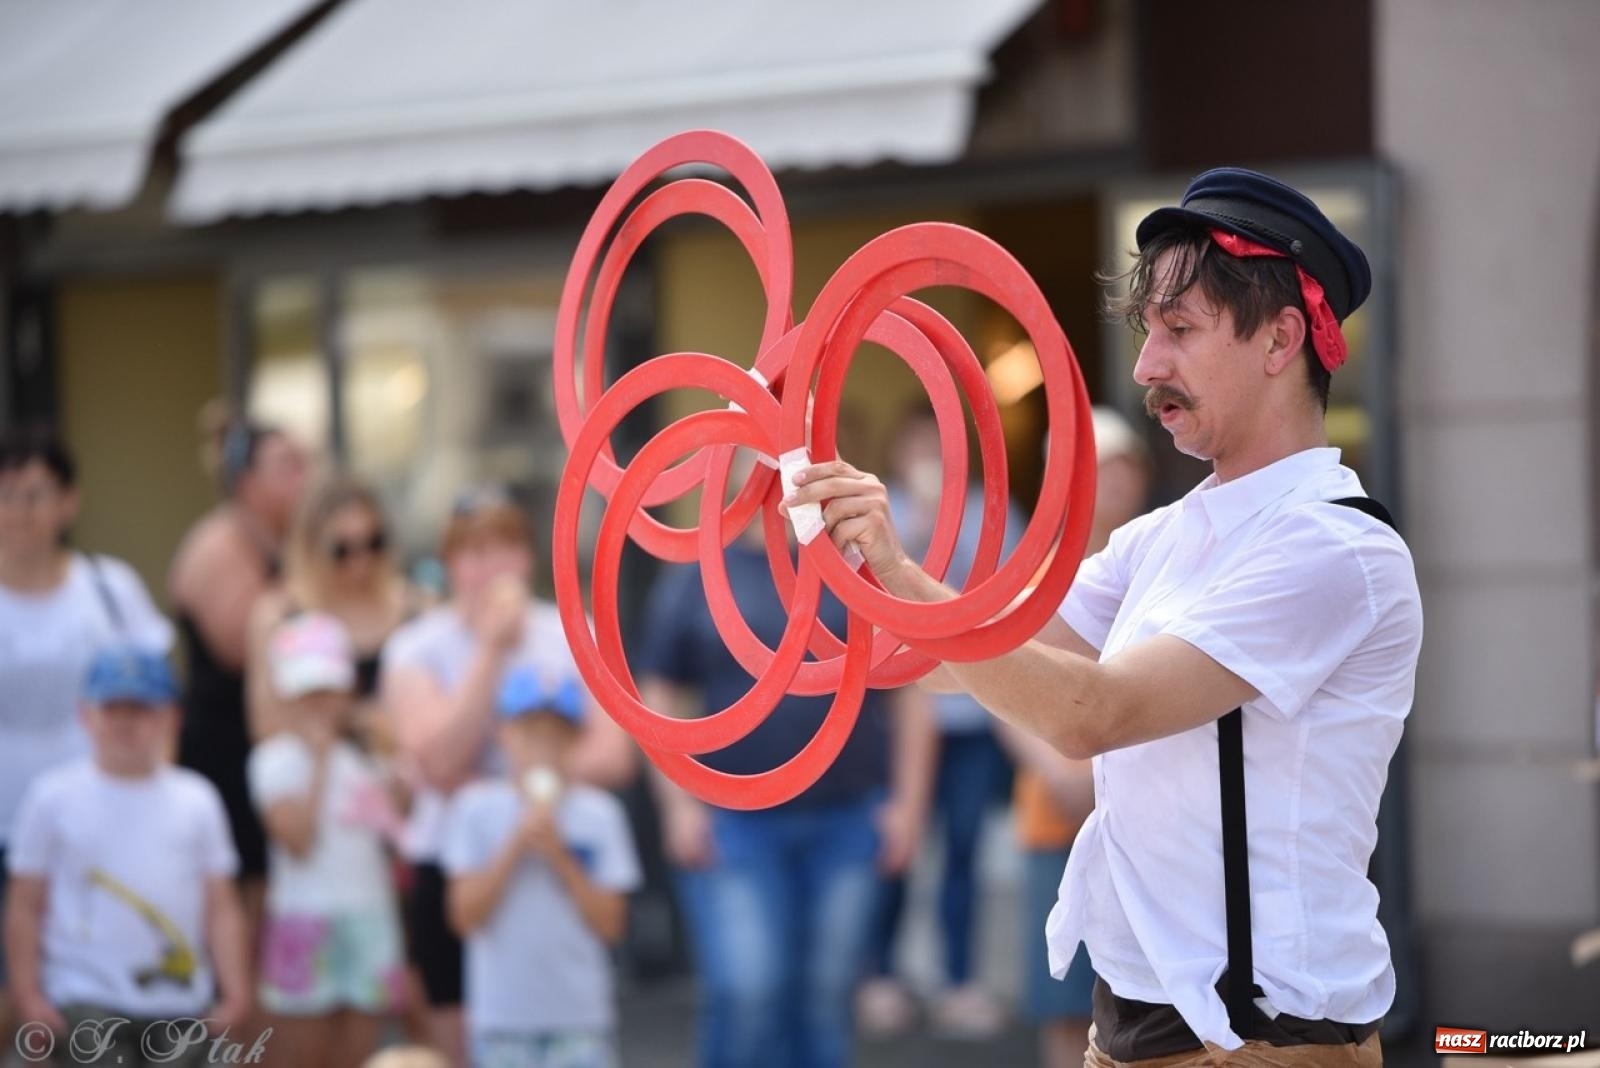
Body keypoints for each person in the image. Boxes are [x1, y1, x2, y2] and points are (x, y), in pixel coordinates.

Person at [784, 168, 1422, 1066]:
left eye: (1180, 330)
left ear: (1281, 339)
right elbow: (972, 652)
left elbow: (1092, 711)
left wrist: (899, 569)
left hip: (1262, 1043)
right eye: (1147, 331)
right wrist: (835, 555)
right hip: (1129, 1030)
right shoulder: (1162, 537)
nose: (1145, 366)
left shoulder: (1336, 549)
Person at [637, 448, 937, 1068]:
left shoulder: (851, 563)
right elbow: (659, 691)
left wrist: (908, 806)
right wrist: (677, 804)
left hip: (848, 814)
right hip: (736, 818)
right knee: (749, 990)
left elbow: (911, 691)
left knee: (826, 996)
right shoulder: (702, 569)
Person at [382, 488, 635, 1066]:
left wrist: (505, 780)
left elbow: (615, 754)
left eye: (503, 549)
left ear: (526, 557)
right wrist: (493, 650)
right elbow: (436, 761)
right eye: (473, 552)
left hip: (558, 852)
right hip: (452, 861)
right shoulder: (414, 647)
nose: (490, 567)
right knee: (461, 1038)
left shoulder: (574, 631)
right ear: (450, 563)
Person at [0, 428, 173, 1041]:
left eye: (35, 494)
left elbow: (158, 697)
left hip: (96, 832)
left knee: (90, 1003)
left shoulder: (108, 588)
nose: (20, 511)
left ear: (68, 501)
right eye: (6, 494)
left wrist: (156, 802)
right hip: (4, 828)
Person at [859, 408, 1027, 1039]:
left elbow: (1009, 600)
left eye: (938, 444)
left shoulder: (990, 512)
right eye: (916, 444)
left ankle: (959, 980)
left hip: (972, 713)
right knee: (895, 843)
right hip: (904, 712)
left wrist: (946, 535)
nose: (927, 454)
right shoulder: (881, 510)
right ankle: (881, 975)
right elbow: (866, 597)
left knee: (963, 847)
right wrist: (913, 535)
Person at [4, 645, 253, 1067]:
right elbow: (24, 904)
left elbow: (222, 907)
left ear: (171, 718)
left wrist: (236, 991)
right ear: (86, 714)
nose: (125, 721)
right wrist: (27, 995)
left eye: (141, 709)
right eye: (112, 708)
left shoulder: (198, 799)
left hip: (180, 1002)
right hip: (82, 997)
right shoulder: (52, 797)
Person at [1000, 408, 1151, 1068]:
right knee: (1063, 1003)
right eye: (1096, 468)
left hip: (1146, 823)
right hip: (1054, 815)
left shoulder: (1161, 568)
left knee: (1145, 1008)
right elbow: (995, 689)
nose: (1111, 482)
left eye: (1122, 466)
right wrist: (1062, 770)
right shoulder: (1033, 577)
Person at [441, 667, 641, 1068]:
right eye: (530, 732)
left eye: (557, 735)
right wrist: (515, 845)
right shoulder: (475, 811)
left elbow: (612, 926)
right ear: (504, 734)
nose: (543, 747)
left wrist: (561, 857)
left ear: (576, 740)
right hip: (502, 1022)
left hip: (580, 1020)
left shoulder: (600, 814)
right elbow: (464, 917)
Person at [249, 614, 406, 1068]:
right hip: (304, 920)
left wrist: (391, 752)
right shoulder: (272, 760)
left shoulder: (368, 755)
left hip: (370, 913)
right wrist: (319, 763)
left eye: (328, 689)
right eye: (307, 691)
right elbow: (297, 840)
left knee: (360, 1053)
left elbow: (401, 826)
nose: (318, 703)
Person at [170, 418, 309, 919]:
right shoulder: (219, 545)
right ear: (248, 482)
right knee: (240, 894)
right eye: (289, 466)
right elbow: (243, 648)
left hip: (274, 747)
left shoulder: (283, 542)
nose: (305, 477)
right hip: (226, 751)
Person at [247, 476, 422, 747]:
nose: (360, 562)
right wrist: (353, 719)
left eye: (373, 543)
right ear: (311, 546)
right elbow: (266, 726)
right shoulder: (280, 616)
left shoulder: (415, 606)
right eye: (342, 551)